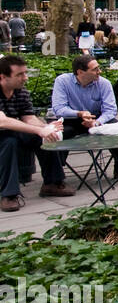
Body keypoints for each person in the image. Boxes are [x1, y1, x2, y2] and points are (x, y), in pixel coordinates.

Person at [0, 55, 73, 210]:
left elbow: (28, 117)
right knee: (9, 142)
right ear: (3, 77)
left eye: (25, 73)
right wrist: (40, 130)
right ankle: (8, 195)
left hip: (11, 131)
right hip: (3, 133)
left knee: (44, 137)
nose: (25, 78)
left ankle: (52, 183)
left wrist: (46, 128)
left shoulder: (20, 92)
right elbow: (3, 121)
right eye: (19, 75)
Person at [51, 55, 118, 182]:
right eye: (95, 69)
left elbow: (110, 110)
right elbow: (59, 109)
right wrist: (79, 113)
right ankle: (57, 173)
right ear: (80, 72)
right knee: (59, 133)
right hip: (72, 119)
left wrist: (97, 122)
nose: (99, 71)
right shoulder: (62, 81)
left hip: (97, 119)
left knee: (117, 128)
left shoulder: (104, 83)